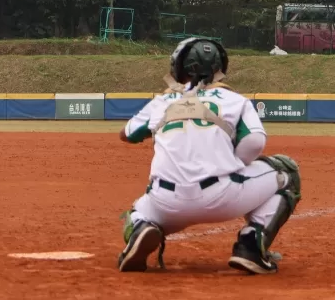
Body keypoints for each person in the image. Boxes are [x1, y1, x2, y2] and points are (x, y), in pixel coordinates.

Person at [117, 37, 301, 274]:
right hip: (221, 197)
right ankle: (250, 246)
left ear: (179, 66)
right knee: (287, 171)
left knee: (137, 212)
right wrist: (235, 163)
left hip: (165, 202)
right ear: (219, 68)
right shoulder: (235, 100)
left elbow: (126, 134)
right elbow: (255, 141)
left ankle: (142, 226)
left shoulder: (162, 101)